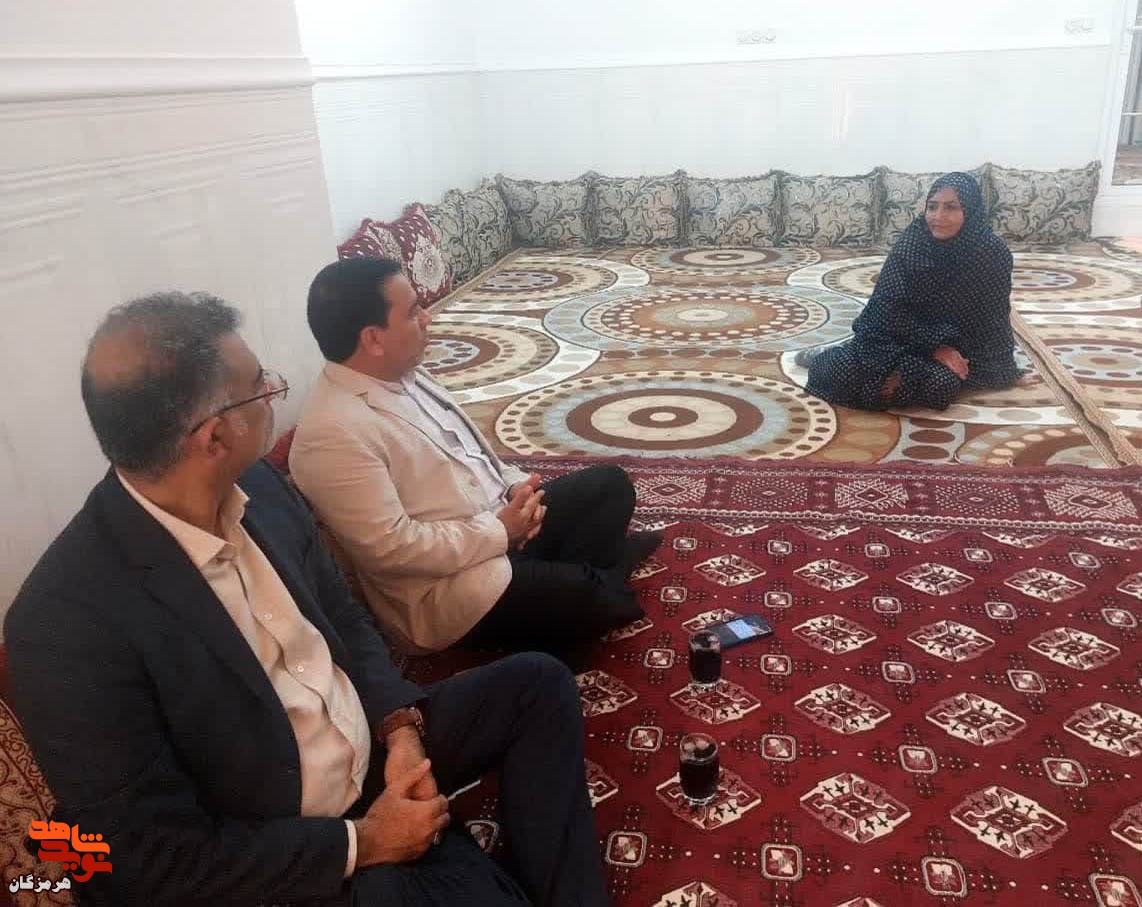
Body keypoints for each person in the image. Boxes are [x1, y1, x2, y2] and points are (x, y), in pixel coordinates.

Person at [4, 292, 609, 906]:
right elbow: (142, 858)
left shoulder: (259, 486)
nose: (274, 391)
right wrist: (364, 842)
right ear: (215, 436)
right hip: (287, 841)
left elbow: (343, 617)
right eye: (259, 385)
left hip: (372, 752)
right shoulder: (64, 625)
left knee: (537, 683)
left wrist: (400, 728)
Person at [290, 257, 658, 663]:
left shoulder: (404, 373)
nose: (427, 318)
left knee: (610, 486)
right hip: (453, 583)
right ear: (373, 339)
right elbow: (394, 550)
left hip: (504, 525)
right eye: (413, 312)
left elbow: (473, 456)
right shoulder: (332, 432)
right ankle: (600, 576)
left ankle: (585, 581)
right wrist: (501, 531)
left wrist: (518, 488)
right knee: (592, 596)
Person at [800, 171, 1026, 411]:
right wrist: (936, 347)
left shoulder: (992, 253)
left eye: (950, 207)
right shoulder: (912, 244)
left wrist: (1001, 365)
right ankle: (830, 357)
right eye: (932, 207)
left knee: (942, 385)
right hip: (901, 335)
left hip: (959, 343)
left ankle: (890, 379)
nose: (938, 217)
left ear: (970, 211)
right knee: (842, 370)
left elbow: (994, 317)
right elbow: (885, 311)